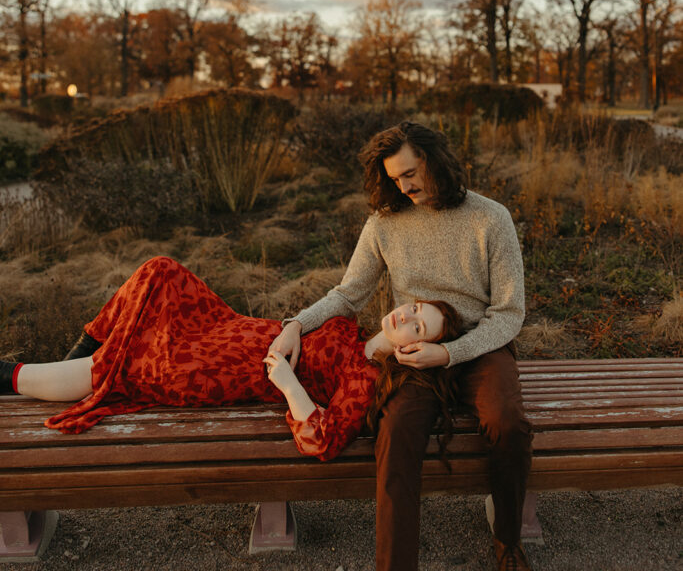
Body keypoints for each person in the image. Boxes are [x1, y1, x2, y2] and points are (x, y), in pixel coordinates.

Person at [269, 121, 533, 571]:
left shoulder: (491, 217)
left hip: (483, 347)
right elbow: (349, 292)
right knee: (393, 436)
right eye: (394, 178)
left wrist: (451, 353)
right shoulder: (385, 224)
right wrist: (296, 323)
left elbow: (509, 313)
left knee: (507, 424)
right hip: (412, 354)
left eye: (410, 173)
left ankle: (507, 542)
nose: (404, 186)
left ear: (435, 160)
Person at [0, 256, 462, 462]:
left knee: (134, 363)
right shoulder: (355, 326)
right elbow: (327, 302)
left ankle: (12, 376)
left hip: (226, 369)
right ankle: (81, 353)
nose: (406, 313)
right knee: (161, 270)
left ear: (413, 350)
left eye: (417, 326)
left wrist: (286, 383)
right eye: (416, 308)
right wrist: (293, 325)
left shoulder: (364, 378)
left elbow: (321, 439)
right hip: (231, 328)